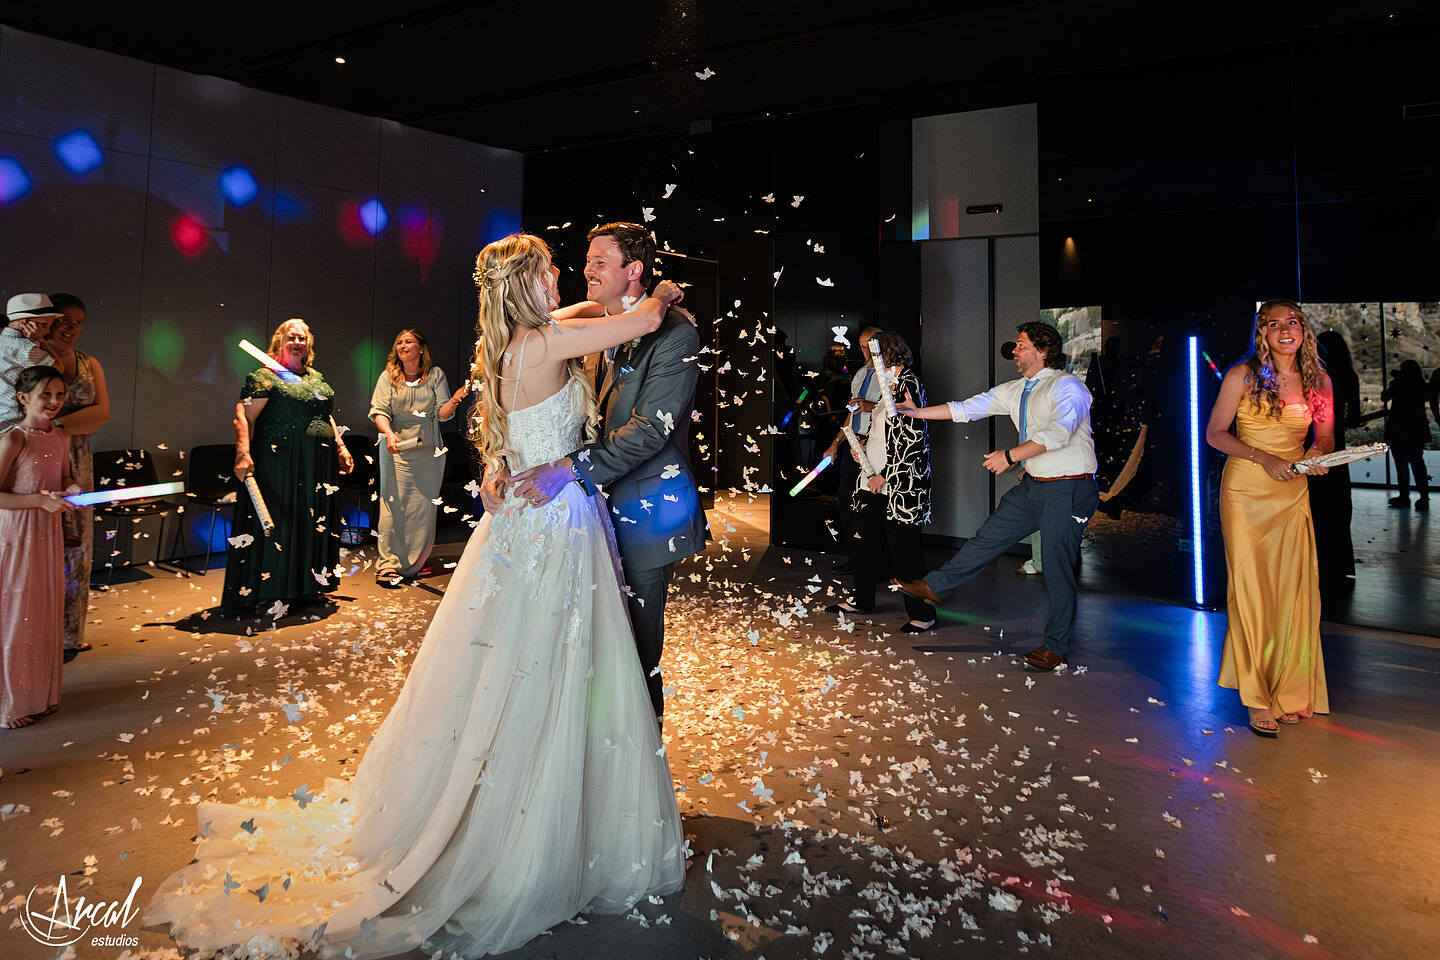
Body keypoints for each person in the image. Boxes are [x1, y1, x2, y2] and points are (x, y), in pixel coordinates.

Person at [146, 233, 686, 959]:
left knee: (522, 668)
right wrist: (660, 295)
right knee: (547, 669)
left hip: (525, 521)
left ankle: (539, 802)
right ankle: (530, 828)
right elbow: (642, 320)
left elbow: (554, 365)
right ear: (527, 283)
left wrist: (498, 463)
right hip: (553, 523)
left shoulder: (514, 343)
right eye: (552, 270)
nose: (566, 278)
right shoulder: (548, 339)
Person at [502, 221, 708, 723]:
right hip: (582, 514)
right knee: (588, 650)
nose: (587, 271)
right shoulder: (594, 328)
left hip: (643, 511)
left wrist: (569, 468)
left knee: (636, 652)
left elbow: (648, 433)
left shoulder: (677, 334)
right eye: (587, 260)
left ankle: (641, 770)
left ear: (632, 270)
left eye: (599, 261)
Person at [891, 321, 1098, 671]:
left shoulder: (1069, 387)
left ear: (1042, 350)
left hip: (1069, 488)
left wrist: (1011, 456)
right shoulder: (1017, 389)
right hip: (1035, 486)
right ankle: (933, 587)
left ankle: (1055, 647)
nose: (1013, 350)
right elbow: (967, 409)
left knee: (1057, 570)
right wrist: (915, 412)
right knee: (987, 538)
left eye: (1020, 344)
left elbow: (1058, 434)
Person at [1205, 299, 1333, 737]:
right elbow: (1215, 434)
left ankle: (1291, 691)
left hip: (1293, 490)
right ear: (1262, 332)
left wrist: (1318, 456)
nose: (1284, 329)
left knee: (1291, 590)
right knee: (1251, 591)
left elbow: (1327, 438)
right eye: (1273, 323)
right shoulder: (1242, 376)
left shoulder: (1320, 381)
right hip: (1246, 490)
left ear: (1303, 330)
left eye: (1292, 322)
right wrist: (1262, 455)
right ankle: (1257, 698)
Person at [221, 319, 354, 618]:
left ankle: (306, 586)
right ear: (280, 341)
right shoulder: (265, 377)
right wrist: (243, 452)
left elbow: (325, 414)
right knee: (285, 521)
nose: (298, 342)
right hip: (281, 463)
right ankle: (274, 591)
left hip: (317, 464)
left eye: (303, 338)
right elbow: (242, 416)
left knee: (311, 521)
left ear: (309, 344)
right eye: (292, 337)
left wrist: (341, 447)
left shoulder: (315, 378)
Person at [824, 331, 935, 632]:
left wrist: (885, 475)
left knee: (903, 547)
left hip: (896, 484)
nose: (870, 362)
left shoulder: (908, 384)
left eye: (874, 355)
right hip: (871, 475)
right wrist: (862, 446)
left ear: (887, 355)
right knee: (864, 538)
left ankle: (923, 614)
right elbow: (883, 424)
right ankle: (861, 598)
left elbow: (912, 438)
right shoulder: (889, 383)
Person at [0, 366, 75, 728]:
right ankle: (8, 704)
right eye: (46, 394)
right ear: (23, 398)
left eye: (60, 395)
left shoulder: (61, 437)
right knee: (14, 614)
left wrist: (72, 489)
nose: (55, 402)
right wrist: (38, 502)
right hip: (16, 535)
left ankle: (37, 695)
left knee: (42, 611)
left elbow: (62, 479)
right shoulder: (13, 439)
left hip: (48, 533)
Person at [369, 328, 469, 587]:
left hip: (428, 452)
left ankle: (412, 563)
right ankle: (388, 563)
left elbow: (443, 413)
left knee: (421, 509)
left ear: (421, 348)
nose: (403, 345)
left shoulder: (435, 376)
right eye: (399, 342)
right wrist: (389, 434)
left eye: (409, 341)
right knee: (393, 506)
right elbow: (379, 411)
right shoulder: (388, 377)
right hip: (396, 449)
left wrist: (455, 400)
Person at [46, 293, 110, 657]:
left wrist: (56, 423)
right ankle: (37, 629)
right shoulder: (31, 359)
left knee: (79, 545)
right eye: (64, 319)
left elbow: (101, 413)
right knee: (41, 543)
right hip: (39, 457)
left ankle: (71, 632)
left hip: (80, 459)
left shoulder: (89, 364)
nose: (71, 328)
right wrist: (68, 425)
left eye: (78, 322)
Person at [818, 326, 881, 571]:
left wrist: (871, 406)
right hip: (853, 444)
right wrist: (835, 445)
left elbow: (900, 412)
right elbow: (851, 414)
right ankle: (856, 558)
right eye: (862, 346)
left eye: (870, 346)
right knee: (846, 502)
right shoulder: (860, 375)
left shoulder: (891, 376)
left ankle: (874, 563)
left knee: (871, 505)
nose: (865, 352)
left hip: (875, 445)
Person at [1310, 331, 1359, 592]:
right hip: (1336, 444)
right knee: (1338, 504)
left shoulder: (1314, 378)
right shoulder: (1348, 377)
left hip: (1313, 442)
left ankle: (1317, 563)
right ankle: (1339, 565)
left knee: (1317, 503)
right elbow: (1355, 418)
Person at [1, 294, 60, 428]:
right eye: (44, 325)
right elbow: (57, 369)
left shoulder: (3, 340)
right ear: (24, 322)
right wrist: (41, 340)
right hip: (16, 423)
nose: (48, 330)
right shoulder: (24, 349)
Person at [1382, 359, 1429, 510]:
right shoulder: (1420, 385)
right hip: (1416, 427)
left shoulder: (1397, 384)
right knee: (1417, 463)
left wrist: (1395, 381)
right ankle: (1423, 496)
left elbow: (1385, 397)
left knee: (1401, 464)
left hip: (1398, 427)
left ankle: (1404, 495)